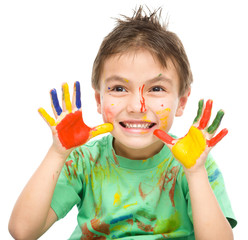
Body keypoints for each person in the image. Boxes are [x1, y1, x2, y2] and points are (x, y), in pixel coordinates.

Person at [8, 6, 237, 240]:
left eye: (156, 89)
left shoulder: (194, 163)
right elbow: (23, 232)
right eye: (119, 88)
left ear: (181, 102)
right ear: (99, 100)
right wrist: (58, 153)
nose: (137, 107)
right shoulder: (84, 161)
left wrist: (195, 172)